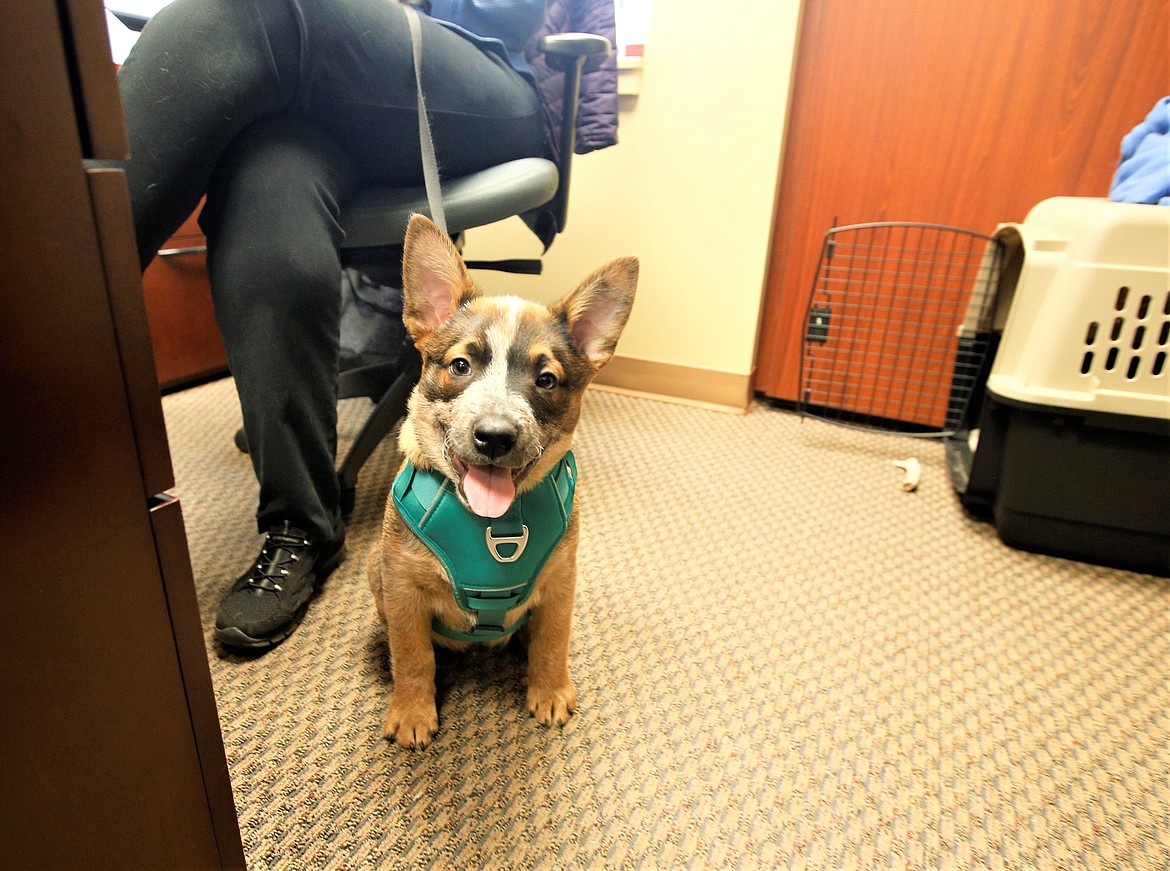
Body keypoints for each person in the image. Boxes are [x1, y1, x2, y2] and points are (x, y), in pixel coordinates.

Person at [113, 0, 559, 652]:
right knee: (266, 179)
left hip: (477, 77)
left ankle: (48, 318)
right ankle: (303, 522)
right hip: (326, 105)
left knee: (241, 12)